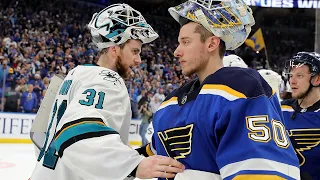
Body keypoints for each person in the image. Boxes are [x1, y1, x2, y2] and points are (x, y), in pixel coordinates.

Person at [137, 0, 300, 179]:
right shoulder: (170, 102)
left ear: (212, 44)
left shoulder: (240, 88)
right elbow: (150, 154)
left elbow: (262, 172)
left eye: (185, 42)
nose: (176, 51)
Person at [30, 4, 184, 180]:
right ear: (114, 49)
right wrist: (134, 165)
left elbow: (42, 134)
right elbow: (74, 133)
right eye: (134, 51)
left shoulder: (75, 74)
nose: (138, 60)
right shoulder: (108, 80)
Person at [281, 52, 320, 180]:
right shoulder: (279, 109)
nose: (292, 81)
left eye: (300, 76)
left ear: (317, 79)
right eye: (291, 75)